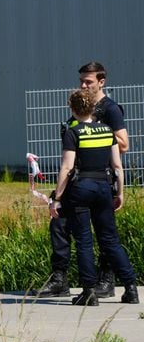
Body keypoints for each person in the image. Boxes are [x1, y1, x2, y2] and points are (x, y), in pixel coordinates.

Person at [39, 61, 132, 298]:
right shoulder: (81, 109)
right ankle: (59, 277)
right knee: (59, 224)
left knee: (100, 235)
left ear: (101, 82)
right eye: (81, 80)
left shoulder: (110, 109)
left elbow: (124, 144)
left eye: (88, 81)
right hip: (74, 180)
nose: (83, 85)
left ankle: (105, 279)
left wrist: (95, 137)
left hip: (97, 177)